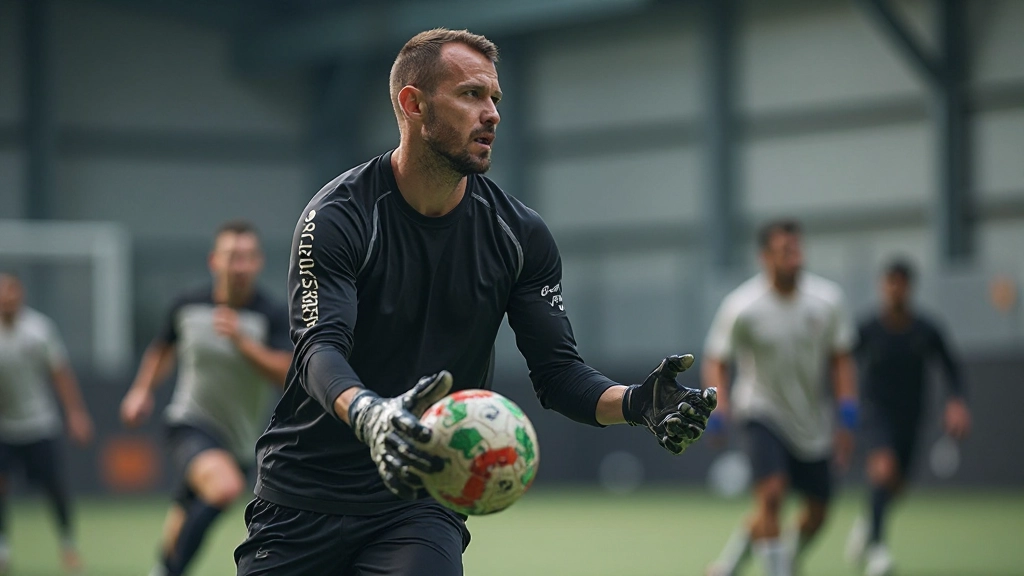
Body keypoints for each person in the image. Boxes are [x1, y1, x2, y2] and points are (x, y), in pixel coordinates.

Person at [233, 28, 717, 576]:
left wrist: (636, 403)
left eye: (495, 98)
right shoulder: (339, 217)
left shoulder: (520, 235)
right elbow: (320, 349)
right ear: (413, 103)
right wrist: (373, 416)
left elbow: (557, 373)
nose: (492, 113)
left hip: (419, 500)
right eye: (470, 95)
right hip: (303, 495)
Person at [120, 221, 291, 576]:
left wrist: (243, 343)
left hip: (241, 440)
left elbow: (287, 372)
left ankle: (165, 569)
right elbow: (162, 349)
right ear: (215, 260)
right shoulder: (187, 305)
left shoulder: (271, 314)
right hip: (189, 423)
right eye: (232, 256)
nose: (239, 266)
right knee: (225, 488)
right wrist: (141, 391)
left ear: (258, 263)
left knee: (186, 521)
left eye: (247, 257)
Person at [703, 220, 858, 576]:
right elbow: (716, 359)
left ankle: (735, 563)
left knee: (818, 514)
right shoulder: (742, 306)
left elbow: (841, 358)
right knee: (772, 495)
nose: (795, 258)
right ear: (765, 257)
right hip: (761, 410)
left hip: (811, 421)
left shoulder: (828, 300)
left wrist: (847, 411)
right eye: (785, 251)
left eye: (798, 249)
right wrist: (719, 407)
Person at [844, 258, 970, 576]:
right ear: (881, 286)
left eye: (901, 283)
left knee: (897, 486)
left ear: (909, 287)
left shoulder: (926, 329)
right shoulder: (867, 329)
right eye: (889, 282)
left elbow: (951, 367)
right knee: (883, 469)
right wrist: (843, 405)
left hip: (912, 416)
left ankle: (868, 522)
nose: (895, 289)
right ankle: (877, 550)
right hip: (875, 413)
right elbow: (841, 365)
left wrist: (956, 402)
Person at [0, 273, 94, 575]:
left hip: (40, 424)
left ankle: (68, 544)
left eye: (11, 292)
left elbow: (60, 373)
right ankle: (2, 547)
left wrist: (76, 413)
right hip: (3, 428)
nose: (7, 299)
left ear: (21, 295)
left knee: (54, 488)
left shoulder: (39, 330)